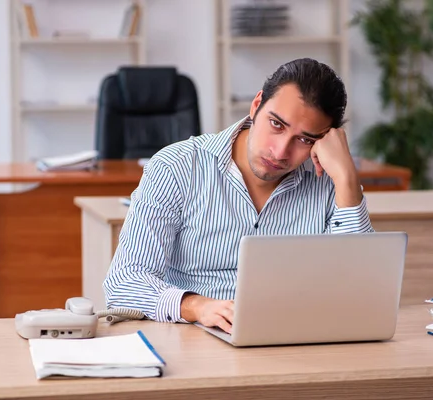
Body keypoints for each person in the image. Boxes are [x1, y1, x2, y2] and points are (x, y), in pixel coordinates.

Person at [103, 58, 374, 334]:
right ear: (256, 105)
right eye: (276, 124)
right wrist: (196, 306)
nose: (280, 152)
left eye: (304, 140)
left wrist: (347, 178)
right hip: (196, 340)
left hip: (295, 342)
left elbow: (363, 293)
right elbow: (125, 282)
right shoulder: (177, 167)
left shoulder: (330, 180)